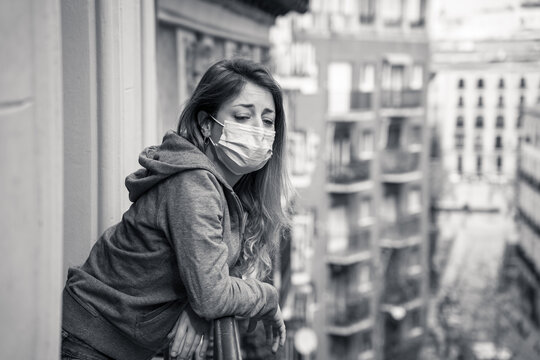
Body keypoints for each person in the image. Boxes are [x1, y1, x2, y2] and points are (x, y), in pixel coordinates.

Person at [61, 58, 290, 360]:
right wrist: (268, 297)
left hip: (108, 342)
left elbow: (206, 277)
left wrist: (195, 308)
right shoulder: (194, 183)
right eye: (243, 116)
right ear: (206, 124)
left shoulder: (221, 189)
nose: (258, 130)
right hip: (89, 342)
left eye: (268, 120)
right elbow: (212, 295)